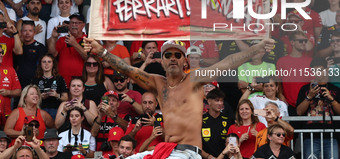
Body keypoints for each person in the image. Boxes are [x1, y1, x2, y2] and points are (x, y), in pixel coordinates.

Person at [83, 38, 275, 159]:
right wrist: (101, 51)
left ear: (185, 61)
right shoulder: (158, 82)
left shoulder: (194, 78)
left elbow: (226, 63)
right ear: (162, 60)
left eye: (178, 55)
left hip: (187, 153)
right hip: (166, 150)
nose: (173, 58)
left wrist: (255, 48)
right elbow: (128, 70)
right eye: (168, 55)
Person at [296, 57, 340, 159]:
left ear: (327, 70)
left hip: (331, 136)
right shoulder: (305, 89)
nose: (318, 73)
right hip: (310, 135)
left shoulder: (335, 89)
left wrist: (331, 99)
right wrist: (309, 97)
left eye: (320, 70)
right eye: (315, 70)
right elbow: (298, 112)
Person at [276, 31, 313, 116]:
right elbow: (278, 81)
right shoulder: (282, 61)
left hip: (307, 102)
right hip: (288, 103)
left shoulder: (310, 61)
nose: (303, 43)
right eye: (300, 41)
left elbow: (312, 82)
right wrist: (281, 96)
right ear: (292, 42)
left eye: (305, 41)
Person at [48, 13, 87, 86]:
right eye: (72, 23)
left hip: (81, 82)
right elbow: (52, 55)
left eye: (77, 23)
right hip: (62, 81)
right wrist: (53, 38)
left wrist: (74, 44)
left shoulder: (88, 40)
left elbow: (88, 58)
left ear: (83, 25)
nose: (74, 25)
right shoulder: (62, 39)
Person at [31, 53, 68, 120]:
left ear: (53, 64)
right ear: (40, 64)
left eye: (49, 62)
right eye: (44, 62)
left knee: (54, 129)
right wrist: (40, 97)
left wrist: (56, 95)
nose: (46, 64)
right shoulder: (35, 79)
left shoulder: (59, 79)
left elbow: (66, 98)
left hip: (56, 109)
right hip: (40, 109)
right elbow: (29, 98)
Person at [14, 20, 46, 89]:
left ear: (34, 32)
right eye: (25, 31)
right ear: (21, 32)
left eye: (30, 31)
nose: (27, 33)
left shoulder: (40, 47)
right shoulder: (18, 47)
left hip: (35, 84)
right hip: (19, 84)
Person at [201, 89, 233, 159]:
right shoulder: (200, 120)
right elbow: (196, 144)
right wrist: (209, 157)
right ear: (209, 101)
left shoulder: (228, 120)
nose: (220, 103)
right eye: (217, 100)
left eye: (221, 100)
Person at [0, 45, 21, 118]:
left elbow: (19, 91)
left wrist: (8, 92)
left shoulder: (10, 69)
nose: (1, 55)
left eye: (2, 52)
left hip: (6, 113)